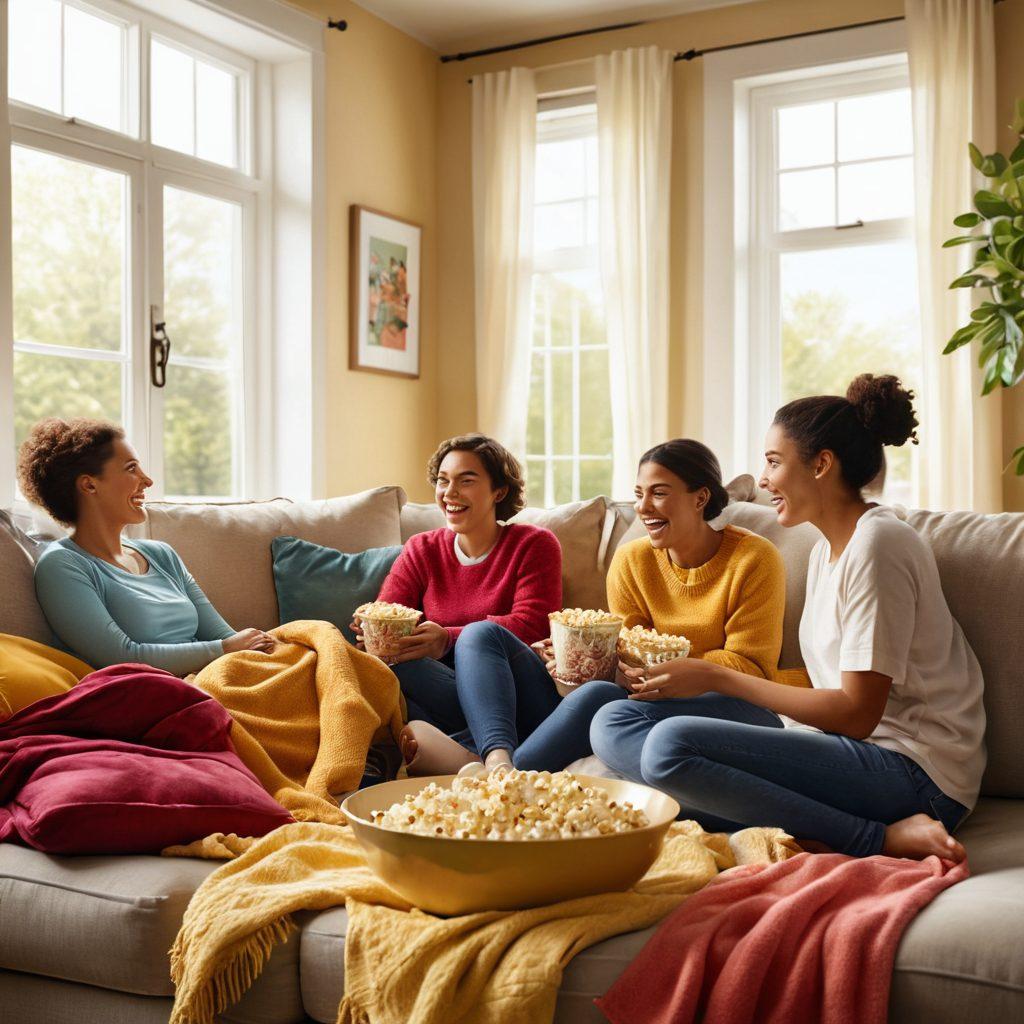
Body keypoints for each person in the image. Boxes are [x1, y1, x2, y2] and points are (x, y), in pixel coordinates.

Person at [592, 375, 983, 860]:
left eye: (774, 462)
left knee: (670, 744)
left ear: (821, 464)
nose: (761, 480)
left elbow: (858, 715)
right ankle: (782, 815)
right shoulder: (826, 551)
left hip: (917, 774)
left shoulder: (880, 546)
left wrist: (716, 675)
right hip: (846, 750)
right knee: (612, 721)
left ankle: (874, 837)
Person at [401, 439, 787, 776]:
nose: (644, 508)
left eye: (659, 493)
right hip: (635, 692)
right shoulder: (633, 559)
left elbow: (752, 667)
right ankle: (497, 762)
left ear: (700, 498)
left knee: (598, 698)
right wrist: (575, 660)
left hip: (710, 697)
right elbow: (625, 654)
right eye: (638, 494)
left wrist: (671, 667)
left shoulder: (753, 558)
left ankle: (496, 774)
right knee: (480, 634)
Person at [355, 433, 563, 775]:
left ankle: (487, 755)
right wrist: (376, 634)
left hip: (519, 692)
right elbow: (389, 610)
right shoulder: (423, 549)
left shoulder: (534, 544)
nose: (449, 493)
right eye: (443, 481)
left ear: (499, 491)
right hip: (453, 693)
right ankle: (471, 757)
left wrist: (446, 639)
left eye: (466, 481)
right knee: (386, 666)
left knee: (480, 635)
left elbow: (533, 624)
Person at [20, 418, 274, 676]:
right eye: (131, 469)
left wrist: (259, 649)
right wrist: (225, 649)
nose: (147, 480)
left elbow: (226, 637)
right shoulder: (63, 565)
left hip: (211, 677)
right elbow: (122, 657)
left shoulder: (161, 554)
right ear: (89, 485)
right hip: (154, 693)